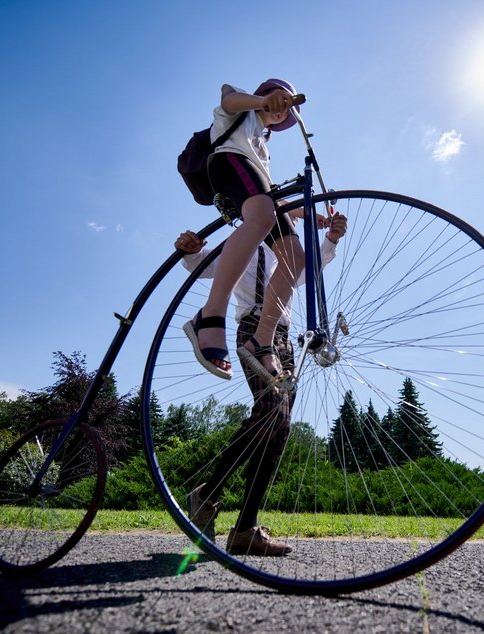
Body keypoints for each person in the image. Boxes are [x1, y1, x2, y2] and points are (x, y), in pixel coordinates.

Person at [174, 211, 348, 556]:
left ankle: (244, 528)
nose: (287, 227)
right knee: (270, 408)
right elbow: (201, 265)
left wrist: (331, 240)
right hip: (252, 330)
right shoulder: (243, 244)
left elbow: (309, 270)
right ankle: (206, 496)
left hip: (285, 338)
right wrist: (190, 250)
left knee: (279, 425)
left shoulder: (288, 253)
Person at [184, 78, 305, 384]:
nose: (282, 110)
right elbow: (227, 97)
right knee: (262, 215)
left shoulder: (263, 150)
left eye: (287, 109)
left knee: (294, 256)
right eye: (281, 101)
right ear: (266, 93)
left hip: (256, 188)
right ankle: (210, 315)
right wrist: (262, 101)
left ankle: (261, 340)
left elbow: (266, 191)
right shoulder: (241, 113)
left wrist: (301, 211)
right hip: (229, 163)